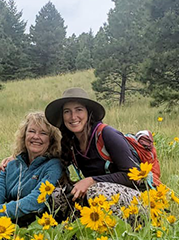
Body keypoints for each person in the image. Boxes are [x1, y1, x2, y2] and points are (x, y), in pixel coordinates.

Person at [44, 87, 145, 215]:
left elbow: (134, 175)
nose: (73, 116)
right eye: (67, 111)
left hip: (139, 201)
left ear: (88, 112)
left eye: (79, 110)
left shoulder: (107, 134)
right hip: (104, 199)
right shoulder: (71, 142)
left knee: (96, 191)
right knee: (57, 193)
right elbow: (51, 160)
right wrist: (18, 156)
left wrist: (91, 180)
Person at [0, 112, 64, 227]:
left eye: (43, 133)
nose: (36, 137)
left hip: (36, 226)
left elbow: (36, 200)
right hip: (7, 223)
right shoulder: (10, 164)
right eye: (31, 131)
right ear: (24, 135)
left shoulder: (54, 166)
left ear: (51, 140)